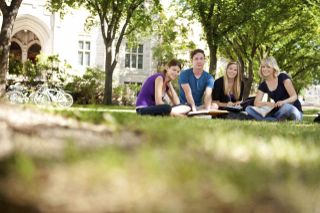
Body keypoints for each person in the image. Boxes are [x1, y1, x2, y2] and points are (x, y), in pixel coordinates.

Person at [246, 56, 303, 121]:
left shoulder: (283, 77)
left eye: (268, 67)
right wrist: (268, 104)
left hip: (293, 110)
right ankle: (275, 119)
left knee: (286, 107)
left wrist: (283, 102)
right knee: (248, 109)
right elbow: (256, 103)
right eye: (263, 67)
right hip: (279, 111)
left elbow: (294, 96)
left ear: (274, 68)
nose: (265, 69)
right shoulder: (263, 84)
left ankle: (270, 119)